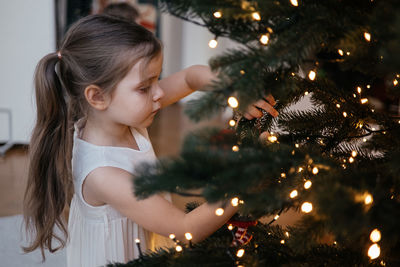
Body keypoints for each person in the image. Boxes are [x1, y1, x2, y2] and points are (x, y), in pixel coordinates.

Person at [23, 14, 278, 266]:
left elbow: (191, 77)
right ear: (97, 97)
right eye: (144, 87)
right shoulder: (103, 174)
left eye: (157, 78)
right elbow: (185, 228)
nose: (159, 93)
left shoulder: (118, 115)